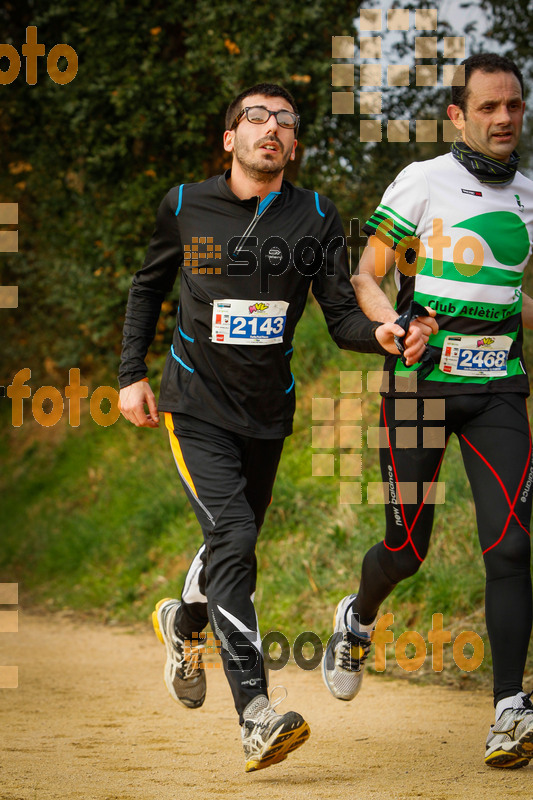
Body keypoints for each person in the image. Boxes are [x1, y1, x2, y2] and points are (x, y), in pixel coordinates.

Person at [118, 82, 431, 772]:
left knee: (231, 542)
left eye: (285, 121)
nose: (271, 128)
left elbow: (339, 318)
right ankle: (255, 714)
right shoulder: (182, 204)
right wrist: (128, 375)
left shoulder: (316, 216)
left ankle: (185, 623)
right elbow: (148, 287)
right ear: (229, 137)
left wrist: (380, 331)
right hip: (193, 403)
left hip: (265, 414)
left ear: (293, 145)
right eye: (255, 117)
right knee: (234, 540)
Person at [322, 53, 533, 769]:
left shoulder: (528, 195)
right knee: (405, 551)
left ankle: (509, 707)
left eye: (513, 106)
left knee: (508, 544)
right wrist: (386, 323)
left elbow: (504, 292)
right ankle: (358, 614)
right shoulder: (422, 180)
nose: (503, 118)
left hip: (498, 386)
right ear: (457, 115)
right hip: (418, 384)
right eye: (487, 107)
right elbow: (366, 273)